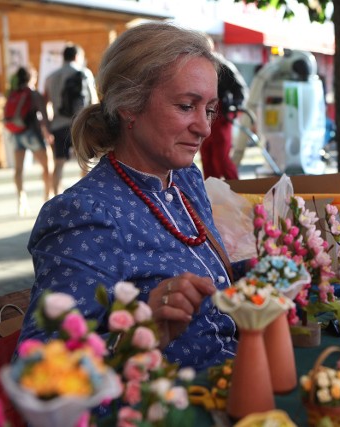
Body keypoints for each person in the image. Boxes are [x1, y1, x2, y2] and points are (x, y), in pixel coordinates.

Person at [18, 23, 246, 372]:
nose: (204, 127)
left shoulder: (184, 179)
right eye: (187, 106)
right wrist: (143, 330)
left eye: (210, 109)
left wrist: (266, 271)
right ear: (129, 106)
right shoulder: (85, 213)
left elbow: (211, 285)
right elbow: (43, 370)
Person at [44, 43, 98, 195]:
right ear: (76, 57)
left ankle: (56, 197)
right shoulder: (84, 73)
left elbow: (46, 103)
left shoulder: (51, 77)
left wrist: (48, 126)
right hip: (80, 124)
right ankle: (86, 196)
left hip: (58, 124)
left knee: (59, 164)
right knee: (86, 163)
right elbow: (93, 102)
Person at [6, 67, 53, 215]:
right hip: (32, 134)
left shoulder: (13, 93)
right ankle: (47, 197)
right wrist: (48, 132)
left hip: (16, 134)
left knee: (18, 170)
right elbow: (43, 115)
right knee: (47, 165)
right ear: (31, 78)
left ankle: (21, 199)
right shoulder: (33, 94)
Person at [199, 48, 248, 180]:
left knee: (221, 157)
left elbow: (240, 90)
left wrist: (233, 107)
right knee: (206, 155)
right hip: (204, 111)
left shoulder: (222, 65)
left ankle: (236, 188)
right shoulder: (197, 65)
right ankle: (211, 192)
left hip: (221, 113)